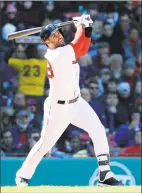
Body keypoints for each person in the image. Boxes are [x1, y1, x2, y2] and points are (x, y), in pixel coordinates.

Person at [15, 14, 122, 187]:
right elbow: (82, 47)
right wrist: (84, 26)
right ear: (47, 43)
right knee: (45, 144)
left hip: (76, 102)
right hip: (58, 108)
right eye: (53, 37)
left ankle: (105, 173)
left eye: (58, 33)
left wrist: (83, 27)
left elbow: (79, 45)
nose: (58, 37)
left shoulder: (63, 50)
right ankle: (22, 175)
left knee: (98, 129)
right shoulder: (57, 55)